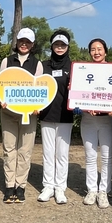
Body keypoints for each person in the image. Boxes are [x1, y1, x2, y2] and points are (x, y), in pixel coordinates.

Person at [0, 27, 43, 203]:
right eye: (21, 41)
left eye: (28, 42)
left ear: (32, 44)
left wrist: (38, 106)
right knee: (9, 149)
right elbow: (0, 86)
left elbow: (40, 89)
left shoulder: (37, 64)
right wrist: (1, 100)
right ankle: (9, 185)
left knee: (25, 150)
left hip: (29, 115)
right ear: (17, 42)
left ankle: (20, 185)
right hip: (8, 112)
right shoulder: (6, 61)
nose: (24, 44)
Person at [36, 30, 74, 204]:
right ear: (51, 46)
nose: (59, 48)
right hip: (47, 114)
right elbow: (35, 88)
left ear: (67, 47)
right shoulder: (43, 66)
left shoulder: (73, 66)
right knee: (48, 152)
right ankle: (48, 186)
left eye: (63, 45)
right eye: (57, 45)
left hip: (65, 115)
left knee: (62, 154)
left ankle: (60, 188)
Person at [81, 38, 112, 209]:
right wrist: (85, 108)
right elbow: (77, 98)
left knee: (107, 157)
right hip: (88, 120)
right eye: (93, 49)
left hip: (107, 121)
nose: (96, 52)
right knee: (90, 156)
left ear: (105, 52)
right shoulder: (83, 70)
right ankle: (92, 189)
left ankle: (104, 191)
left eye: (100, 49)